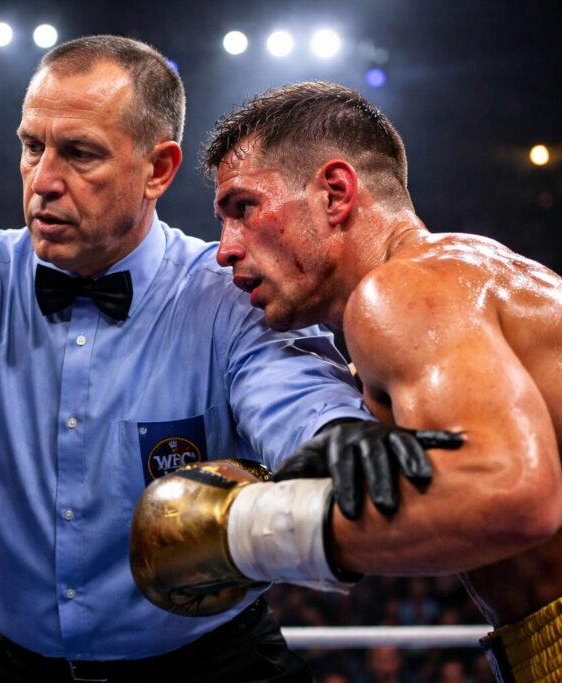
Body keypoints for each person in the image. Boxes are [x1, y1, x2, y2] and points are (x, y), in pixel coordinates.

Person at [0, 37, 443, 683]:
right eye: (32, 148)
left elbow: (298, 399)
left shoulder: (226, 293)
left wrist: (333, 438)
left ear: (158, 169)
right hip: (6, 658)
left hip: (211, 661)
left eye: (80, 154)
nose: (44, 181)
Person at [130, 81, 562, 682]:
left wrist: (248, 533)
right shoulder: (469, 272)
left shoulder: (402, 291)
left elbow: (516, 494)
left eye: (243, 208)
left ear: (335, 193)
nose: (225, 249)